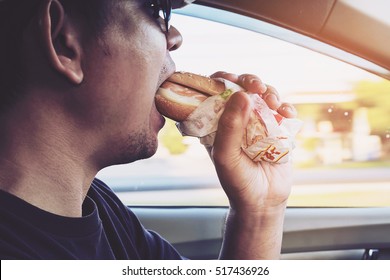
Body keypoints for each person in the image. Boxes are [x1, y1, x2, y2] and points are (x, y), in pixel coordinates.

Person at [0, 0, 297, 259]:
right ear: (64, 41)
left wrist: (260, 211)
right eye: (157, 10)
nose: (176, 37)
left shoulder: (99, 206)